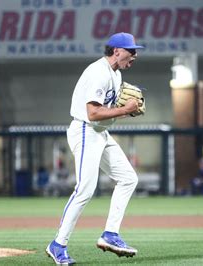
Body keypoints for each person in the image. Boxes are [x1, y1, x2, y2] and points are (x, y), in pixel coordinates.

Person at [46, 32, 144, 265]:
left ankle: (110, 234)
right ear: (117, 51)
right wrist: (123, 109)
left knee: (129, 178)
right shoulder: (98, 72)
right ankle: (58, 244)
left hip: (100, 132)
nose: (135, 55)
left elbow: (106, 111)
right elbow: (93, 113)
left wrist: (127, 109)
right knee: (85, 190)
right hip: (85, 130)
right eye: (131, 51)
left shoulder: (116, 74)